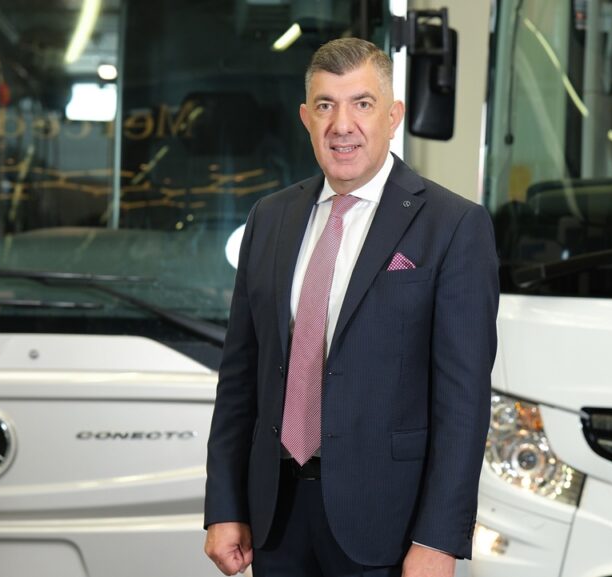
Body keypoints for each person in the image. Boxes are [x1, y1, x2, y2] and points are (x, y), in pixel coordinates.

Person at [203, 37, 499, 577]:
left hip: (388, 528)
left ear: (393, 116)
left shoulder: (453, 226)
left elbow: (463, 402)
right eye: (326, 105)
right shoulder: (269, 218)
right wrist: (224, 506)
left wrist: (438, 539)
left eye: (362, 104)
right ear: (306, 118)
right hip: (275, 518)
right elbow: (240, 377)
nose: (342, 125)